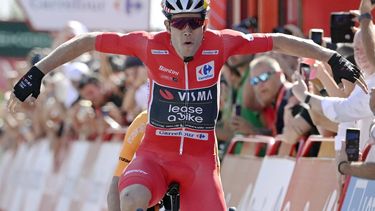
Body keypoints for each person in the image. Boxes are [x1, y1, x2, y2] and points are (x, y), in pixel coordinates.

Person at [7, 0, 367, 210]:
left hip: (199, 161)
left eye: (195, 22)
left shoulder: (221, 43)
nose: (187, 32)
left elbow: (278, 42)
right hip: (154, 155)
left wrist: (331, 57)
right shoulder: (148, 44)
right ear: (168, 24)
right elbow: (87, 41)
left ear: (205, 21)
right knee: (129, 199)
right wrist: (36, 73)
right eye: (179, 24)